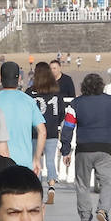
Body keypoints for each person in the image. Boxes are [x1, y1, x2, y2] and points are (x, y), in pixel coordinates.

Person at [60, 72, 111, 221]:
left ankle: (85, 220)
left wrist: (65, 150)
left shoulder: (76, 103)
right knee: (107, 182)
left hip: (84, 148)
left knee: (82, 184)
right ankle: (103, 210)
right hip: (105, 148)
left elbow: (68, 127)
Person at [0, 61, 47, 176]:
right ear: (19, 78)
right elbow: (42, 131)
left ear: (0, 78)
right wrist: (36, 158)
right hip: (24, 164)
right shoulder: (29, 101)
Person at [29, 61, 70, 203]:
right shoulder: (56, 92)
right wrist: (55, 124)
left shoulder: (30, 93)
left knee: (36, 160)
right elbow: (61, 113)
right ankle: (51, 187)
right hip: (52, 131)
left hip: (34, 132)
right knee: (51, 160)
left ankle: (37, 188)